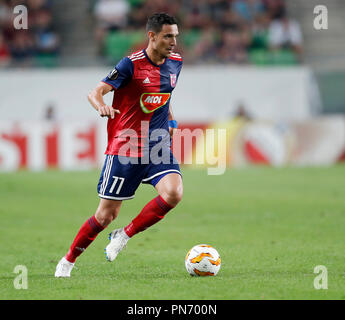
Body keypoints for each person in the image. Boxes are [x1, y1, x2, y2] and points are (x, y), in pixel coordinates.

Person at [55, 13, 183, 277]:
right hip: (125, 147)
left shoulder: (176, 63)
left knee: (173, 193)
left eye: (176, 36)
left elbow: (165, 97)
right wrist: (101, 106)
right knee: (105, 216)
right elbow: (96, 91)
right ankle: (67, 260)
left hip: (157, 145)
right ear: (152, 36)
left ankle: (124, 235)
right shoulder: (130, 65)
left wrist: (170, 124)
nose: (173, 42)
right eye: (168, 36)